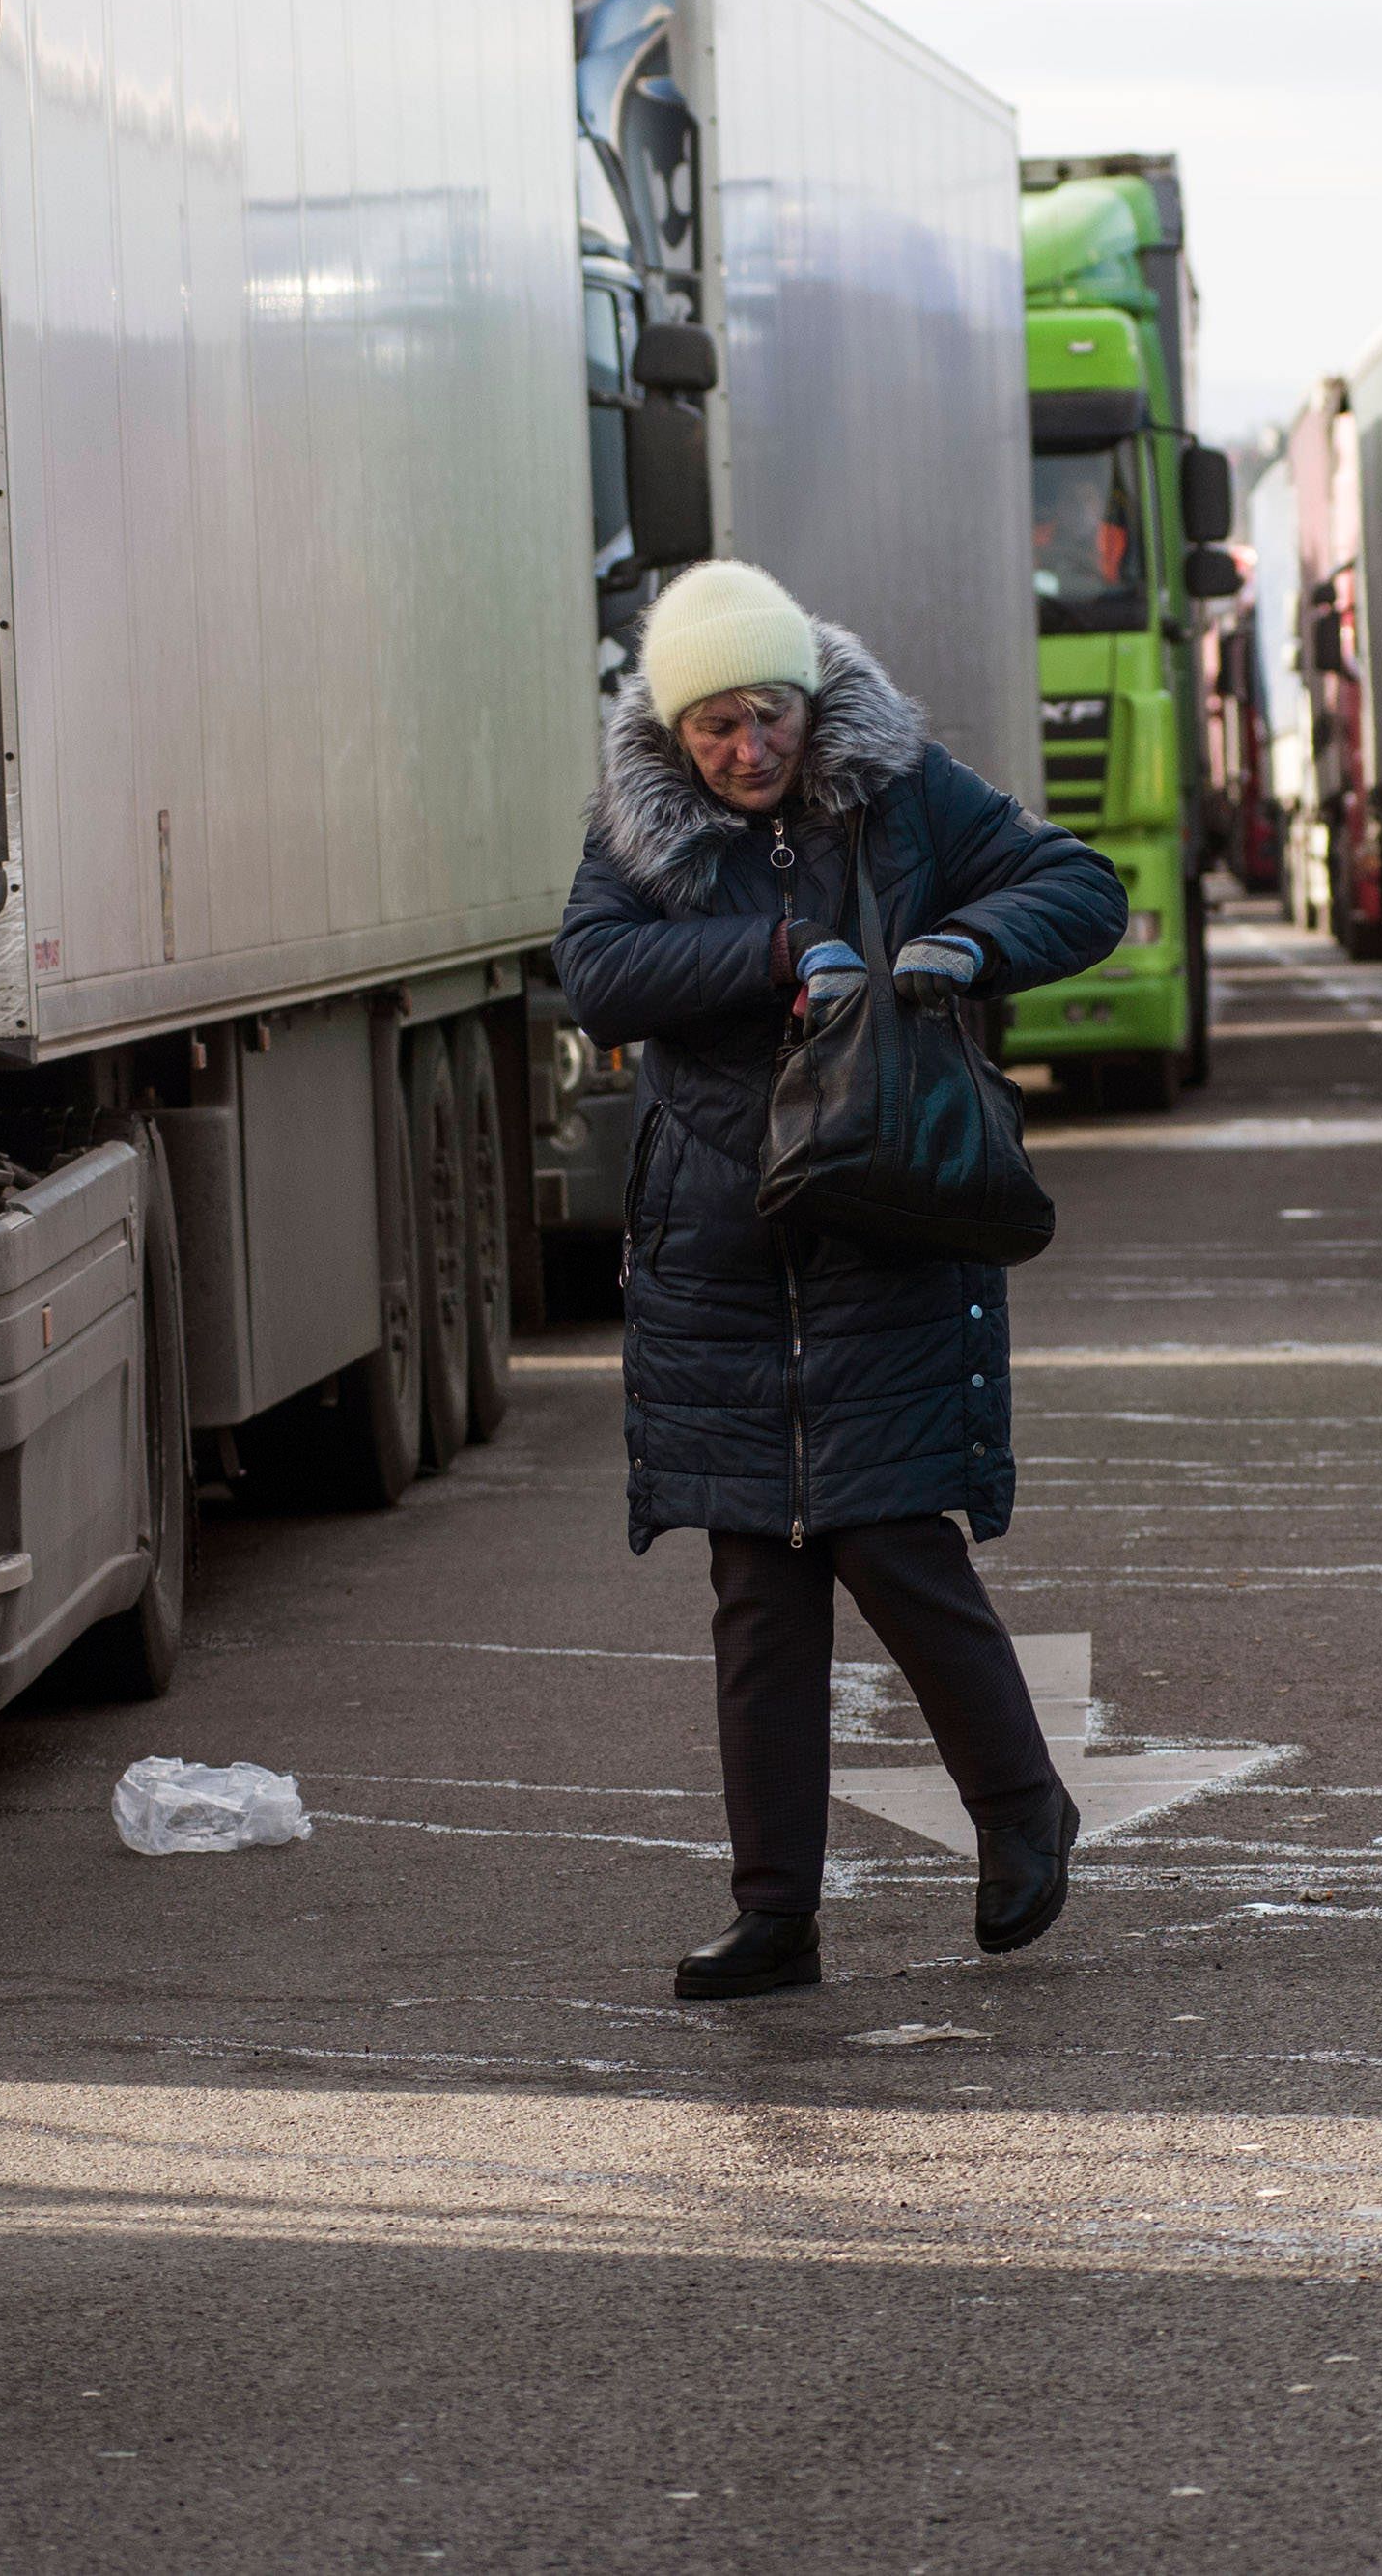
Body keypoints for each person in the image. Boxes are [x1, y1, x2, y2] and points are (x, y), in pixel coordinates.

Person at [554, 560, 1129, 2000]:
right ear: (677, 732)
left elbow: (1083, 886)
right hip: (719, 1256)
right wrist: (766, 951)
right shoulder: (641, 824)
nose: (749, 752)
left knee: (889, 1538)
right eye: (717, 729)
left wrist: (961, 942)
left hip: (880, 1225)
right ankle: (775, 1916)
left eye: (770, 717)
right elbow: (598, 970)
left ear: (811, 702)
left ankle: (1021, 1816)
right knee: (756, 1586)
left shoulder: (903, 790)